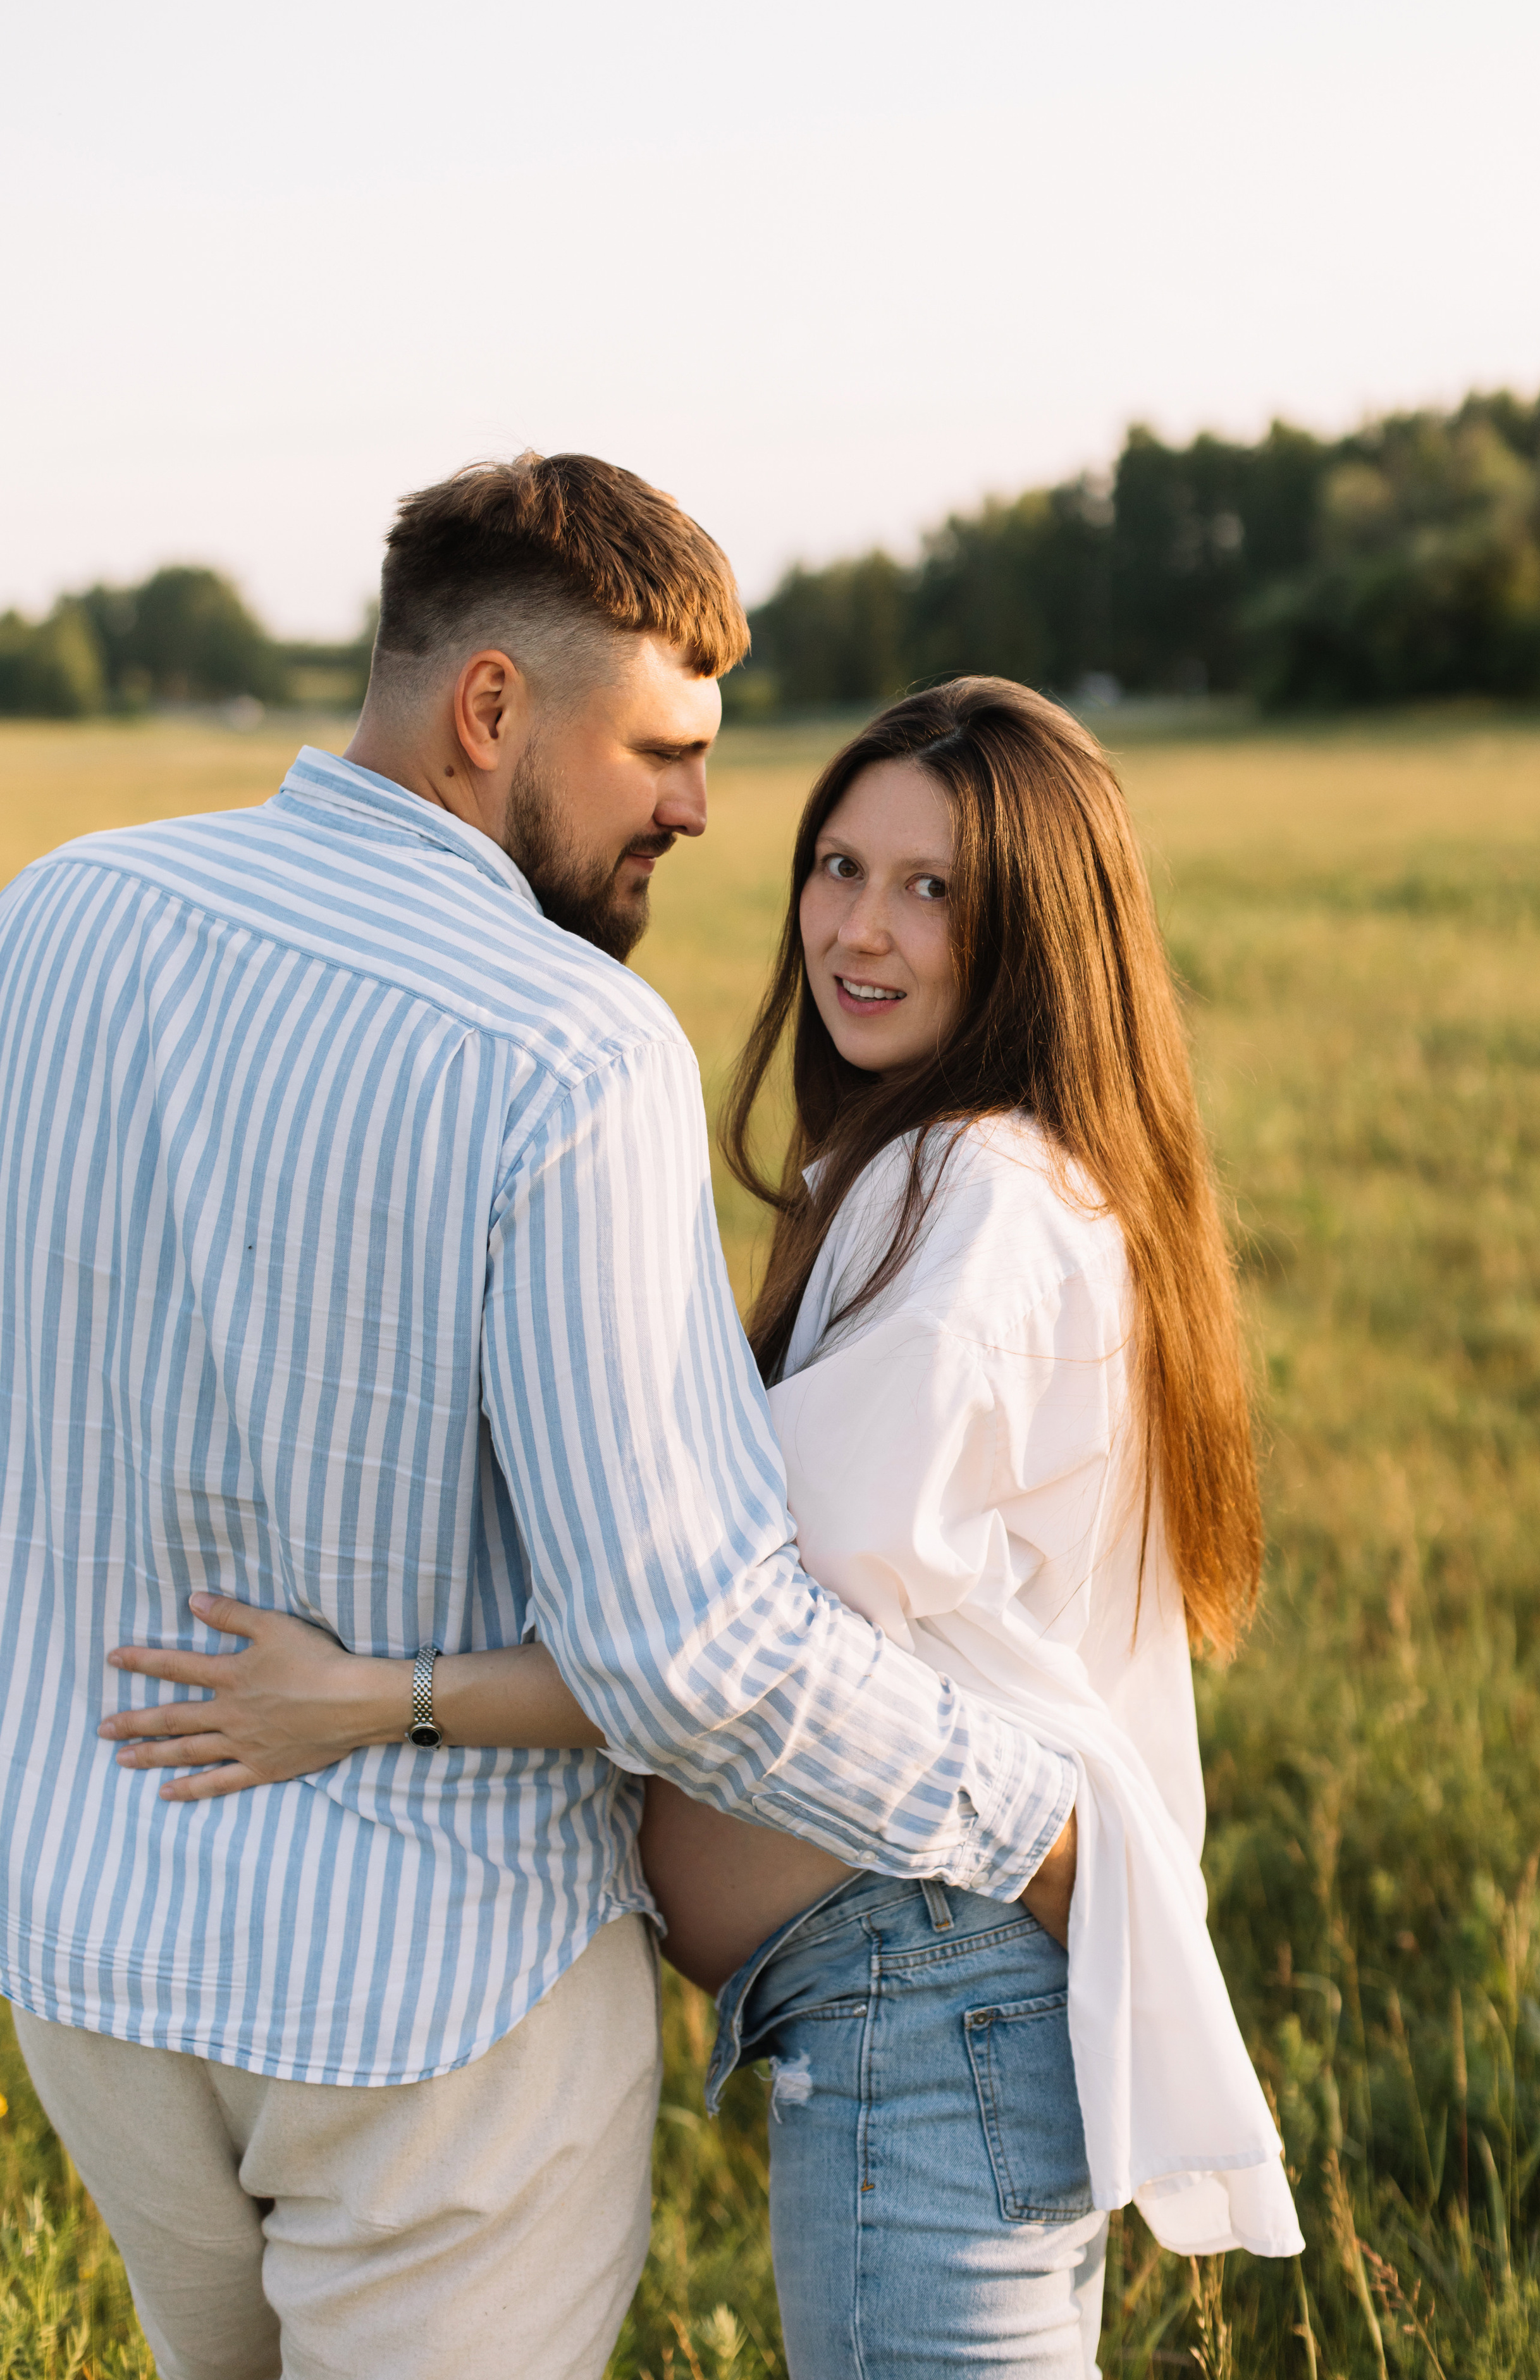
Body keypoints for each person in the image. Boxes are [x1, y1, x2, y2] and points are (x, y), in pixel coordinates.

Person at [0, 464, 1087, 2380]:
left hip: (93, 1949)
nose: (693, 807)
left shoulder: (63, 916)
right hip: (430, 2013)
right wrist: (1025, 1815)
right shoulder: (567, 1049)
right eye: (661, 748)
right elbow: (688, 1644)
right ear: (490, 710)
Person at [112, 678, 1305, 2375]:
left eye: (932, 888)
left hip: (934, 1979)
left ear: (1040, 932)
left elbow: (714, 1634)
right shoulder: (951, 1177)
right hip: (913, 1989)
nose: (858, 931)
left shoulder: (979, 1199)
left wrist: (375, 1699)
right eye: (837, 866)